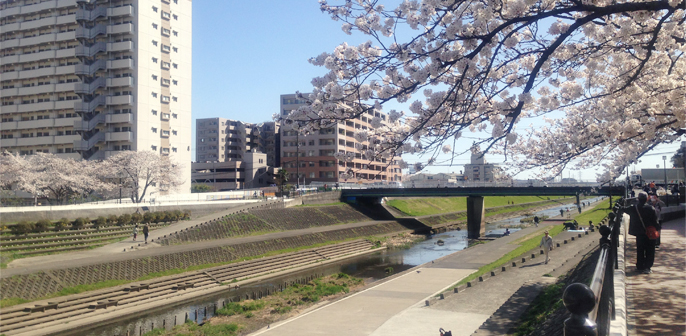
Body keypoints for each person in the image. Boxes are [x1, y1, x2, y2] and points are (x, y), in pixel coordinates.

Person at [628, 192, 659, 274]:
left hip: (639, 233)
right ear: (646, 199)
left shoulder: (634, 208)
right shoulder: (651, 208)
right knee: (650, 250)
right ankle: (647, 267)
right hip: (650, 232)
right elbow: (655, 221)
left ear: (638, 199)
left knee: (640, 249)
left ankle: (640, 266)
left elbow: (624, 209)